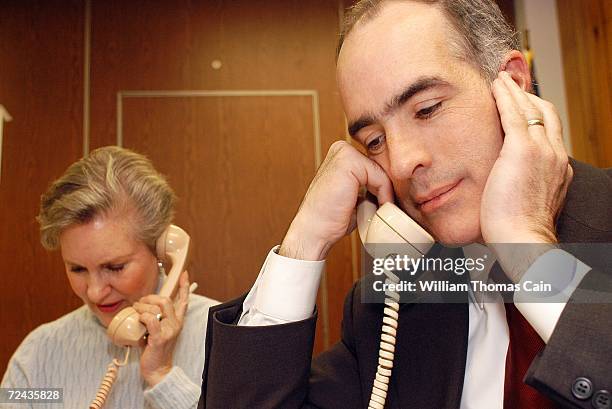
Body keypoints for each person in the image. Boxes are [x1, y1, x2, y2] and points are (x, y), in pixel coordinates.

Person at [198, 1, 612, 409]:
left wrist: (529, 253)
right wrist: (303, 242)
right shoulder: (391, 307)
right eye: (374, 141)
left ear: (515, 87)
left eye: (427, 110)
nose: (400, 162)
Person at [1, 146, 218, 409]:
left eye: (115, 267)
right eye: (77, 269)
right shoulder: (38, 353)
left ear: (160, 249)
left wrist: (163, 376)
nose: (94, 292)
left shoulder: (223, 337)